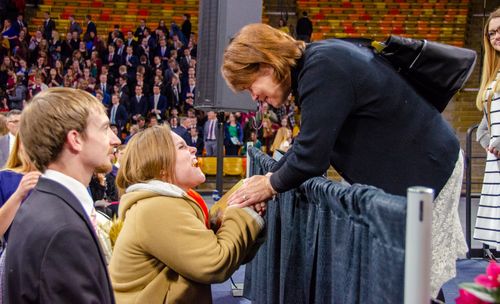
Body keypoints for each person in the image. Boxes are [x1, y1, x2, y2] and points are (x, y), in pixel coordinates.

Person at [221, 23, 466, 301]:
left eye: (250, 86)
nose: (255, 97)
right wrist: (269, 177)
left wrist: (270, 184)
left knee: (416, 280)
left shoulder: (322, 68)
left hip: (427, 168)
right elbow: (309, 142)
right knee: (412, 275)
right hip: (415, 166)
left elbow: (311, 157)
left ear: (267, 64)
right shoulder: (317, 63)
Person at [108, 125, 264, 303]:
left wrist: (245, 217)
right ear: (160, 167)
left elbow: (228, 257)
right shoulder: (157, 207)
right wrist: (242, 210)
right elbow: (214, 264)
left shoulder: (167, 202)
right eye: (182, 147)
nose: (193, 149)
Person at [5, 87, 120, 303]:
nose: (115, 140)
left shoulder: (45, 205)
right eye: (105, 129)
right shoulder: (64, 229)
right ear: (75, 139)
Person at [474, 8, 500, 250]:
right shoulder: (493, 75)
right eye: (492, 33)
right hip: (497, 160)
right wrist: (487, 141)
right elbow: (485, 122)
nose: (496, 36)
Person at [0, 133, 40, 239]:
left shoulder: (62, 177)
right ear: (19, 145)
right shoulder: (4, 178)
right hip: (16, 252)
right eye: (26, 142)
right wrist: (18, 195)